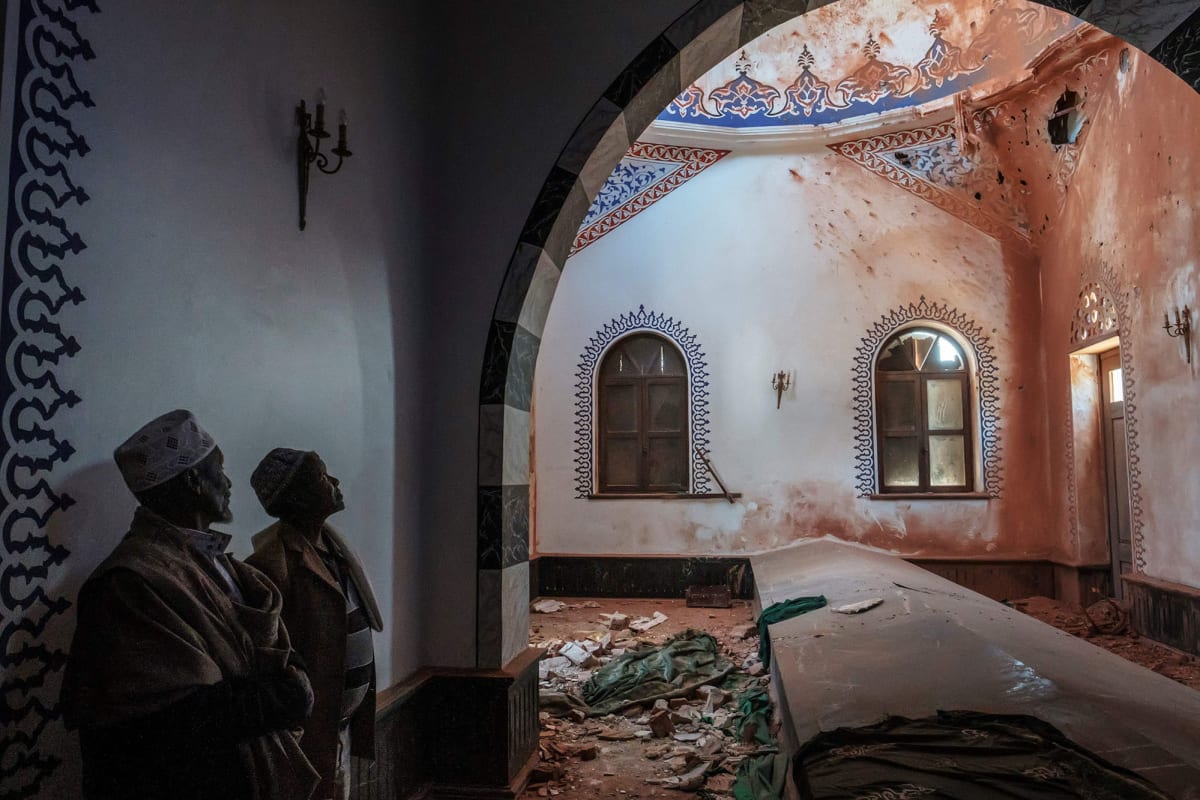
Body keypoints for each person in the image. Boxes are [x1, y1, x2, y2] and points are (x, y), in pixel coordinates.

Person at [61, 410, 319, 800]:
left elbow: (256, 652)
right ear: (194, 481)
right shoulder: (127, 585)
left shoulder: (211, 561)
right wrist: (286, 694)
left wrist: (290, 672)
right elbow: (168, 721)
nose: (228, 482)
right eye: (220, 469)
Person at [247, 448, 383, 800]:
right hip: (309, 737)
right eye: (322, 477)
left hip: (339, 727)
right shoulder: (271, 566)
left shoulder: (333, 547)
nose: (334, 481)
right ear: (297, 498)